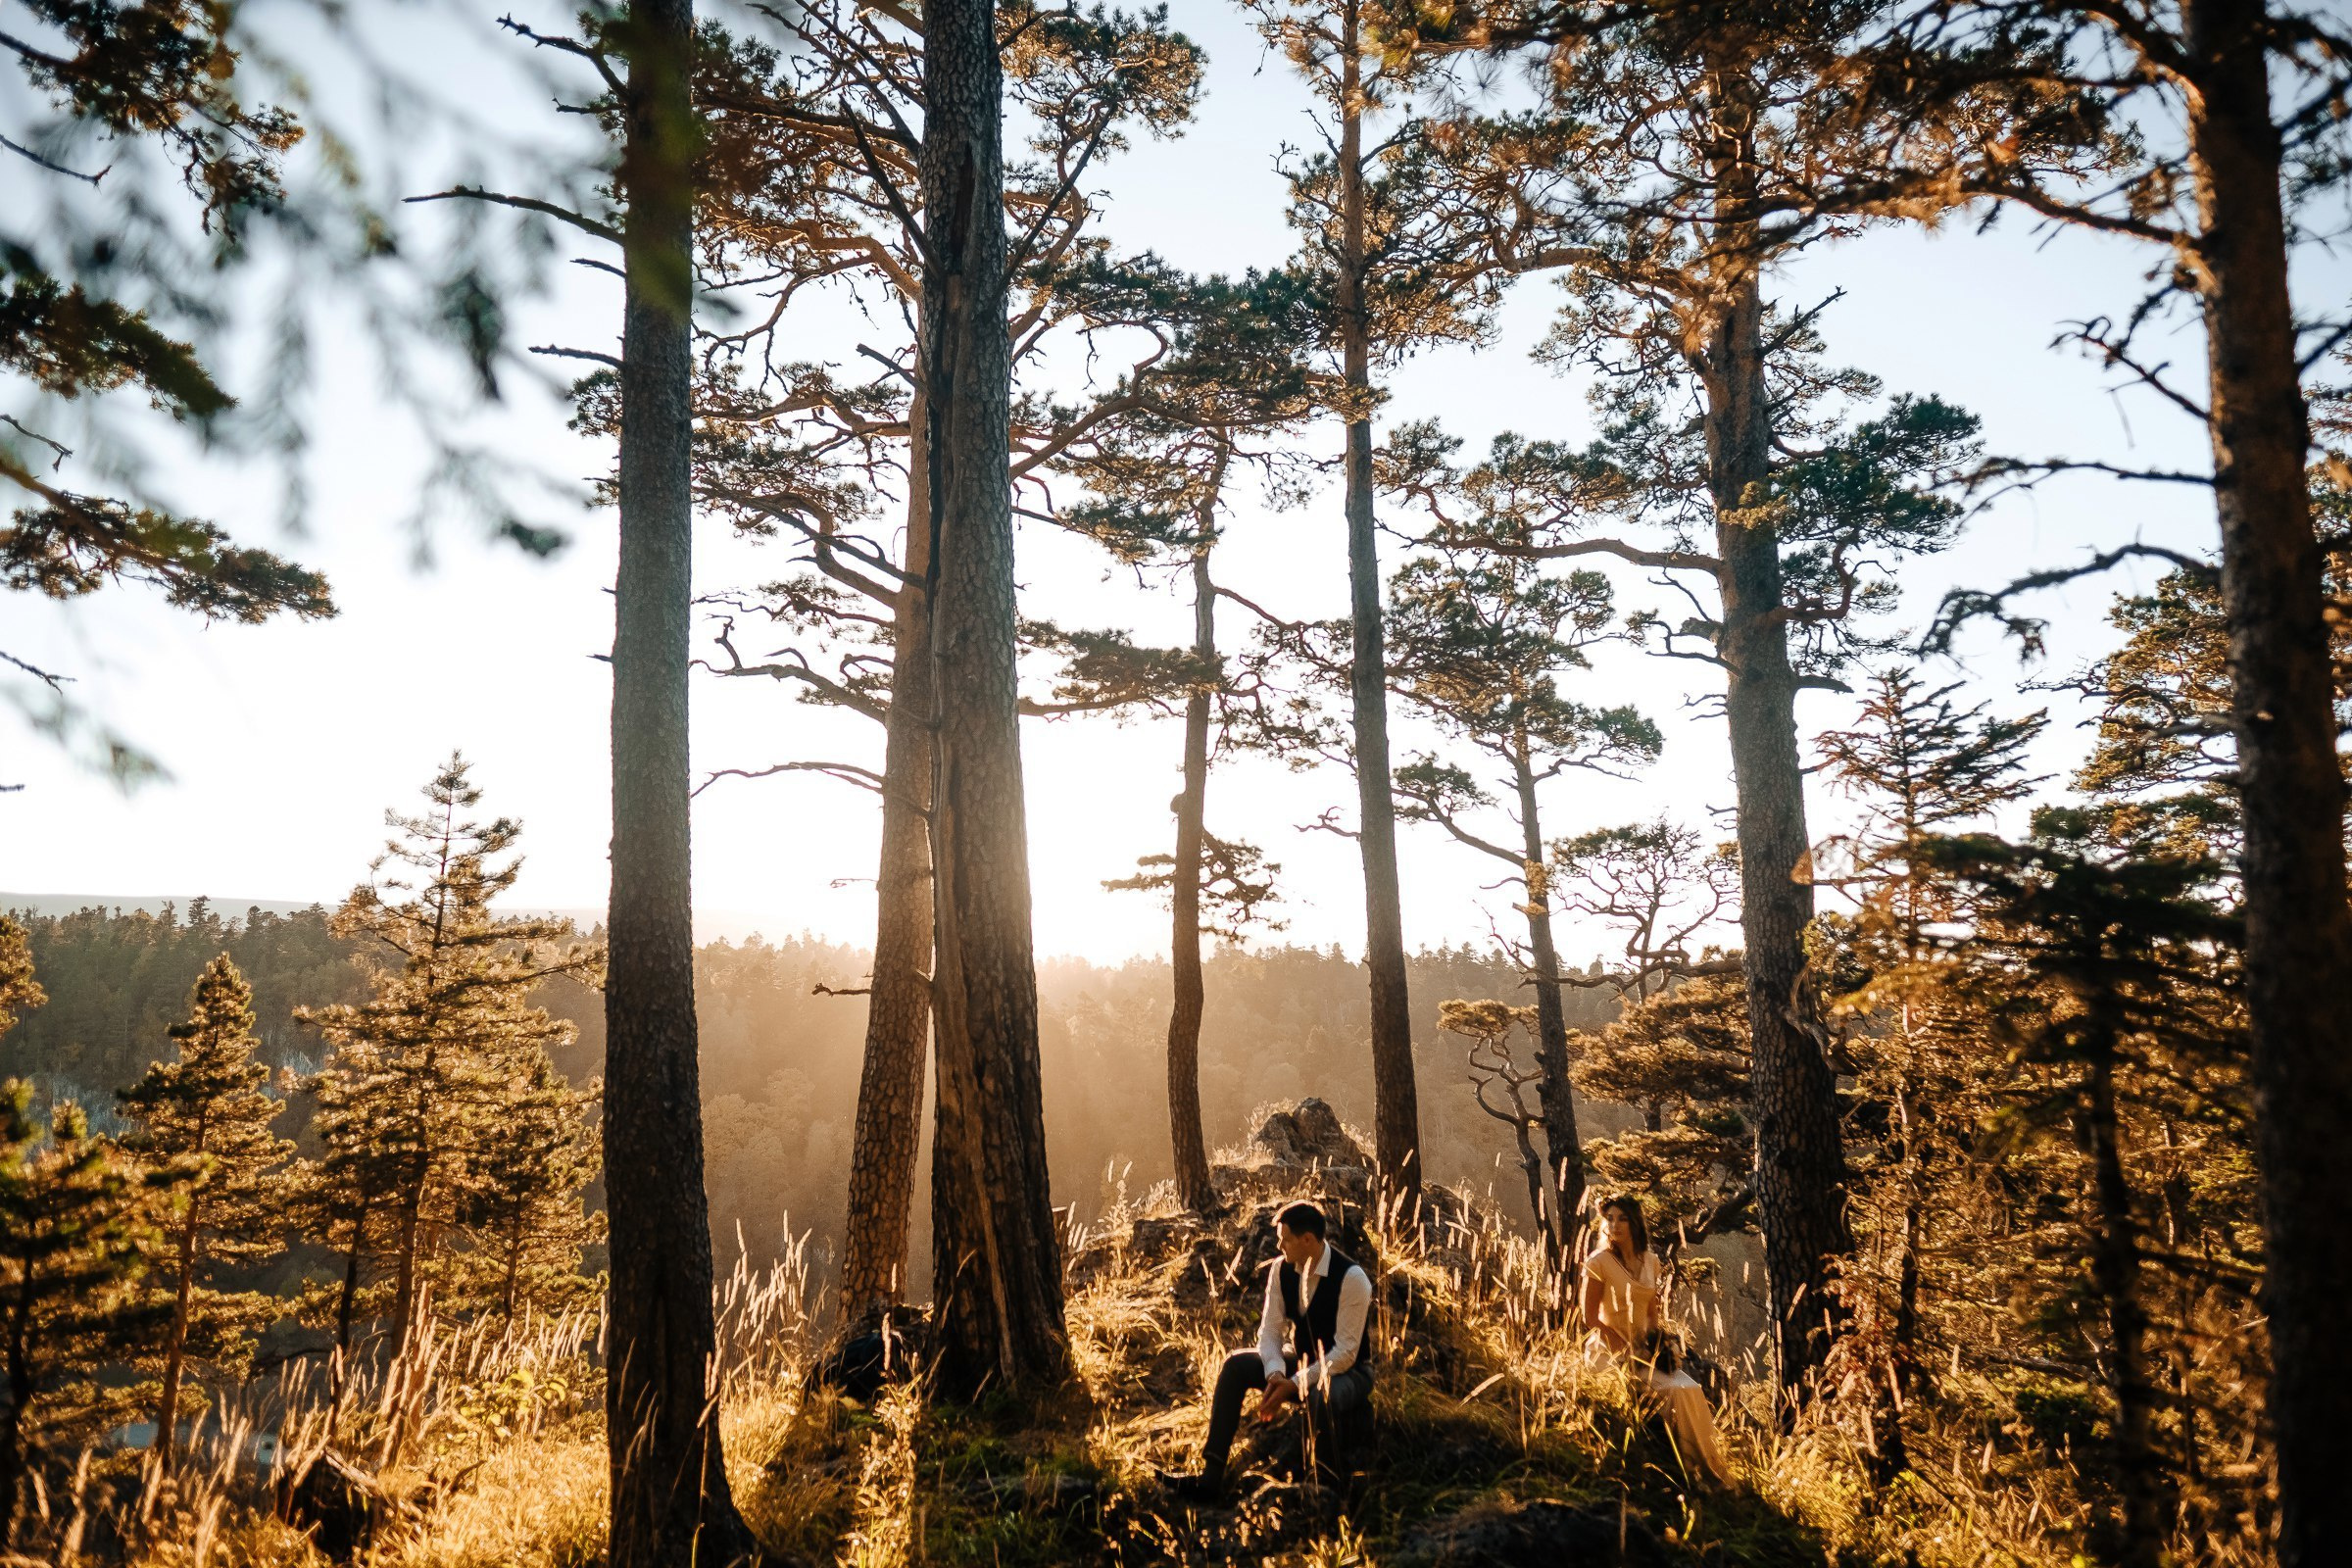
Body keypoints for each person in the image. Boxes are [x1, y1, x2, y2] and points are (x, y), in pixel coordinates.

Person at [1158, 1200, 1373, 1501]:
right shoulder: (1281, 1269)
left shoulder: (1352, 1278)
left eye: (1285, 1239)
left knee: (1319, 1396)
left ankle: (1325, 1491)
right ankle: (1210, 1479)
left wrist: (1294, 1384)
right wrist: (1275, 1374)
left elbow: (1346, 1352)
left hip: (1349, 1373)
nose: (1278, 1244)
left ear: (1308, 1240)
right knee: (1235, 1366)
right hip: (1300, 1364)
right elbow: (1271, 1331)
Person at [1581, 1194, 1733, 1487]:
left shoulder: (1650, 1261)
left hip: (1644, 1353)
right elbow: (1590, 1318)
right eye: (1609, 1218)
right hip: (1609, 1354)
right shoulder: (1597, 1262)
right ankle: (1694, 1474)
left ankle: (1709, 1470)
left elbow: (1651, 1314)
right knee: (1676, 1392)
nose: (1614, 1225)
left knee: (1691, 1388)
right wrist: (1626, 1350)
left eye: (1622, 1218)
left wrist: (1658, 1344)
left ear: (1636, 1222)